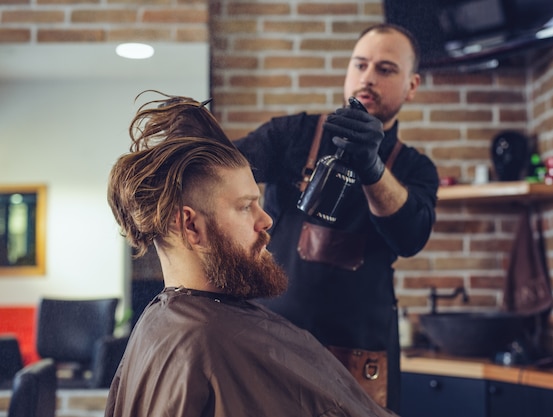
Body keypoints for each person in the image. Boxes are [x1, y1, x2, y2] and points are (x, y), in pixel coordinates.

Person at [104, 92, 399, 417]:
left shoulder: (168, 326)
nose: (266, 220)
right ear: (191, 226)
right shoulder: (205, 342)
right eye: (246, 206)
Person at [234, 23, 439, 411]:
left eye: (385, 69)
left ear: (411, 86)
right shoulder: (292, 134)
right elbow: (223, 170)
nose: (368, 78)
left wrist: (372, 169)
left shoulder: (415, 168)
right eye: (360, 65)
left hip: (358, 361)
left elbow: (411, 236)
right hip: (272, 346)